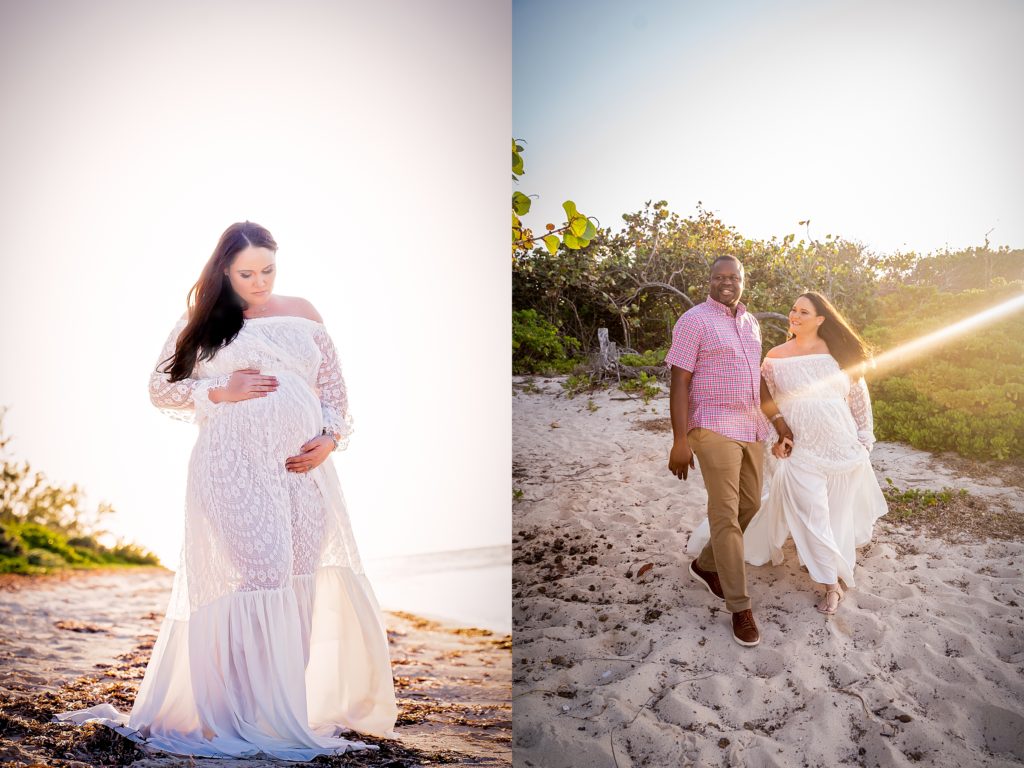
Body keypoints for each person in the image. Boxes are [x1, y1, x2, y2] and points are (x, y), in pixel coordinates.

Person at [56, 221, 398, 759]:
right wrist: (222, 388)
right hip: (232, 467)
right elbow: (160, 389)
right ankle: (240, 712)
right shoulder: (203, 322)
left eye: (268, 270)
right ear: (224, 270)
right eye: (246, 273)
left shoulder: (305, 313)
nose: (259, 282)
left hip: (303, 471)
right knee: (263, 575)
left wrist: (329, 439)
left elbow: (334, 392)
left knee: (300, 580)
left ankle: (280, 708)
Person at [689, 291, 888, 614]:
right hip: (801, 451)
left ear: (821, 319)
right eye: (793, 310)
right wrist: (776, 436)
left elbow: (858, 398)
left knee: (836, 516)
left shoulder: (839, 353)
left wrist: (865, 439)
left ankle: (826, 565)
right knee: (814, 516)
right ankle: (830, 585)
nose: (794, 316)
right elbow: (763, 399)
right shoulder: (775, 356)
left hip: (843, 450)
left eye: (803, 312)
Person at [666, 255, 793, 647]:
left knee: (750, 507)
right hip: (711, 424)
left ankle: (705, 565)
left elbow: (756, 379)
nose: (726, 282)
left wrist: (779, 424)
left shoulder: (751, 321)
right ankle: (740, 607)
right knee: (724, 513)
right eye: (719, 277)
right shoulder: (694, 321)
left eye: (733, 277)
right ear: (709, 281)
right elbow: (679, 382)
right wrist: (680, 440)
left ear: (743, 281)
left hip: (750, 425)